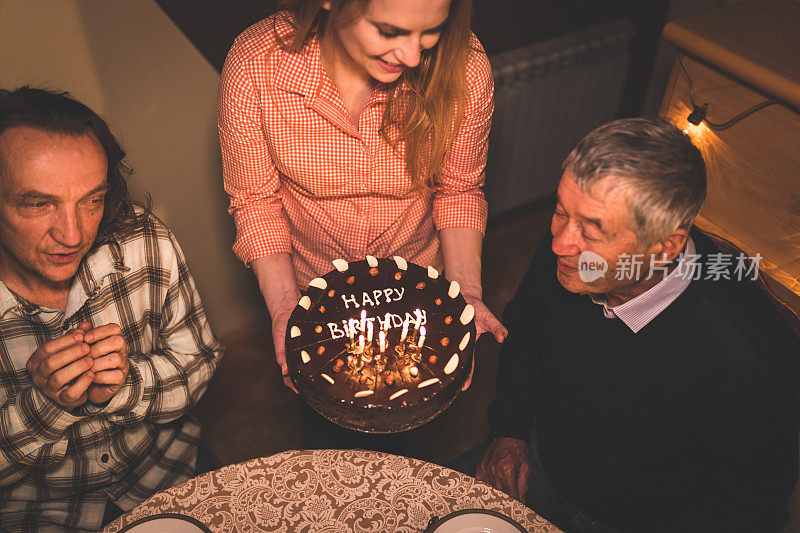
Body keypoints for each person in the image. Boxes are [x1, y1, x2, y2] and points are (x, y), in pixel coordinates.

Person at [464, 118, 799, 531]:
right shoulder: (573, 255)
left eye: (591, 229)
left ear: (665, 246)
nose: (559, 243)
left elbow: (749, 511)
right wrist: (509, 432)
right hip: (537, 462)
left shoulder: (749, 355)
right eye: (559, 211)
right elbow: (525, 335)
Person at [218, 0, 506, 447]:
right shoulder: (256, 65)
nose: (412, 57)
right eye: (389, 31)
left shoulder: (464, 66)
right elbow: (256, 202)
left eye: (429, 32)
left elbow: (459, 190)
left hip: (421, 295)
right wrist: (282, 309)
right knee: (332, 451)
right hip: (312, 300)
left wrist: (466, 291)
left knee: (421, 459)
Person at [0, 87, 223, 531]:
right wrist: (44, 407)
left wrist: (126, 387)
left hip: (169, 471)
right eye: (40, 204)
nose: (72, 233)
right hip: (35, 513)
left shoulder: (143, 240)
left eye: (92, 200)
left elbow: (199, 362)